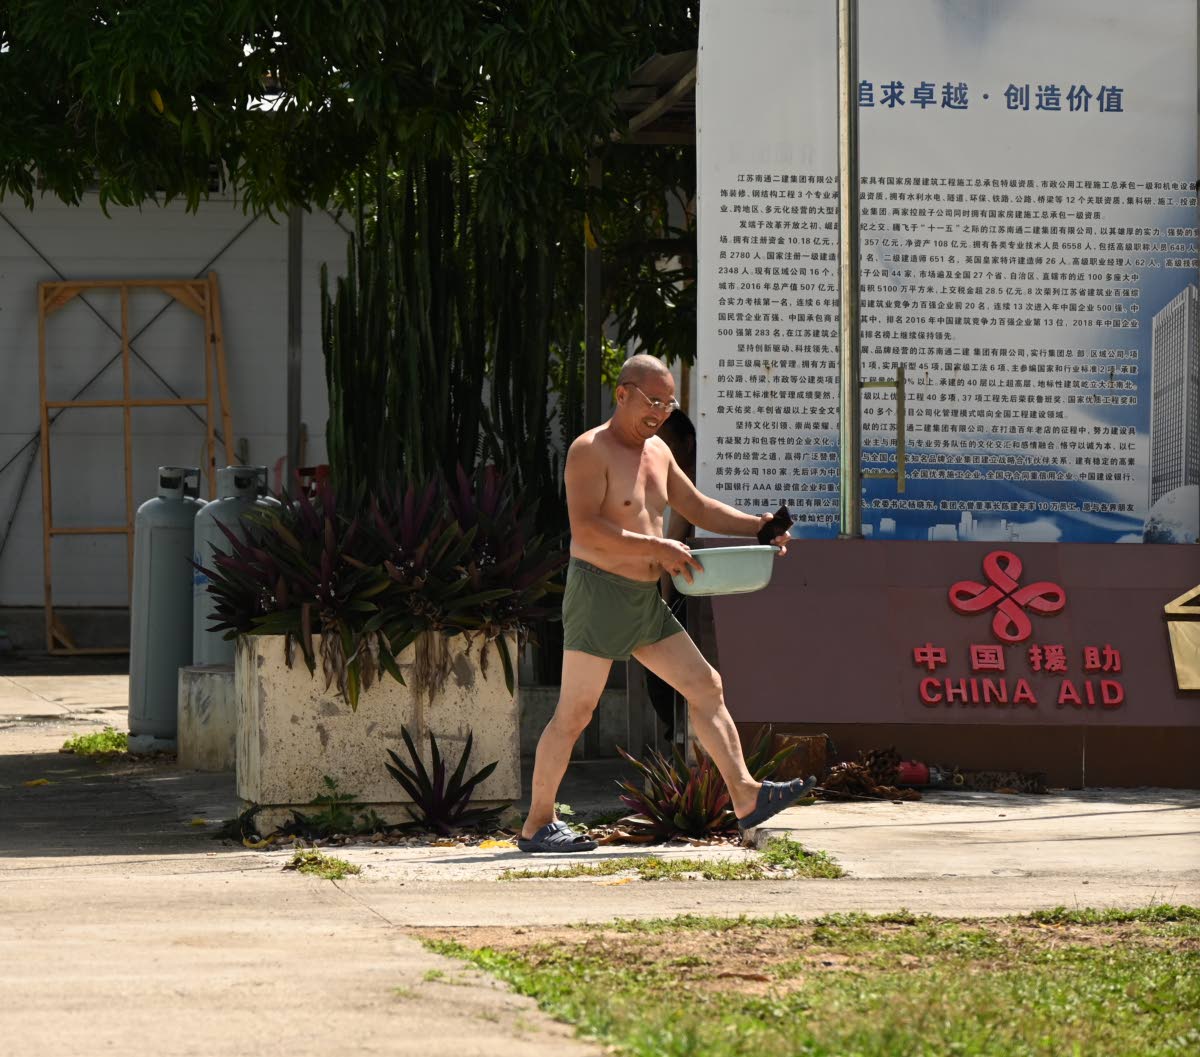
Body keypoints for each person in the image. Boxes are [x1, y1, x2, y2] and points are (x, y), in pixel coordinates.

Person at [517, 354, 814, 853]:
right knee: (575, 712)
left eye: (667, 403)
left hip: (643, 599)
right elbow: (587, 528)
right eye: (651, 401)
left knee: (705, 686)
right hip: (598, 593)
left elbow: (695, 507)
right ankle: (537, 825)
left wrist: (757, 527)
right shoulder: (589, 450)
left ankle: (747, 797)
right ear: (622, 393)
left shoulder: (658, 452)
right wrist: (656, 548)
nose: (658, 412)